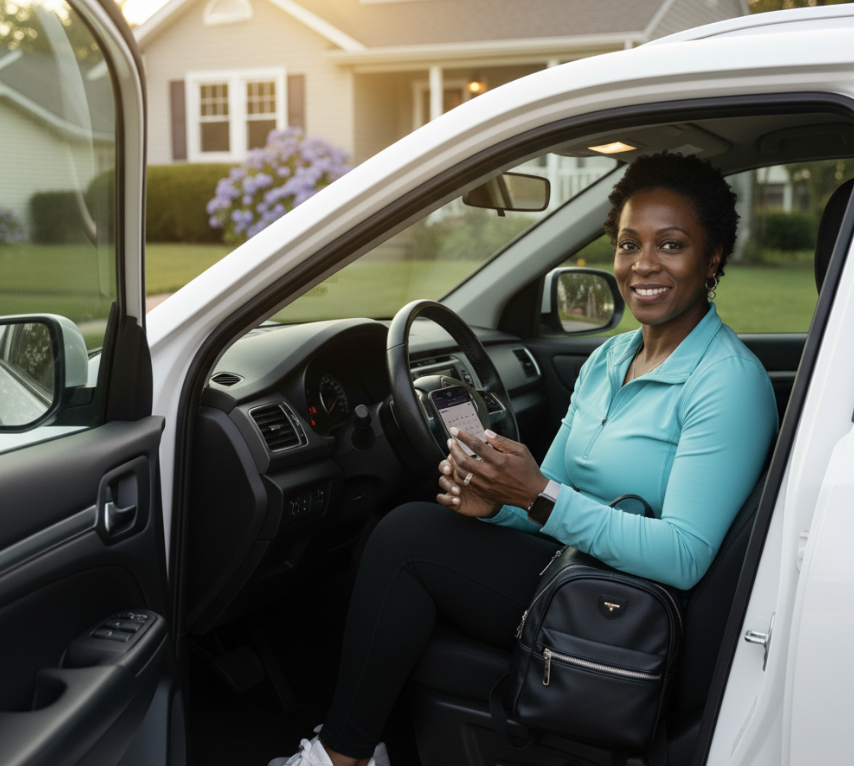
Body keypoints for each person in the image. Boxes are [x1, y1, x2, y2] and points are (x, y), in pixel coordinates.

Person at [270, 152, 779, 766]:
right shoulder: (609, 359)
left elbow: (685, 556)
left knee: (404, 539)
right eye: (628, 243)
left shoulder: (727, 382)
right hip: (577, 569)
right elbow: (553, 490)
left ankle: (343, 756)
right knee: (412, 528)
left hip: (632, 612)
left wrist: (534, 496)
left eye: (671, 245)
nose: (643, 264)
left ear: (713, 256)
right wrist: (496, 505)